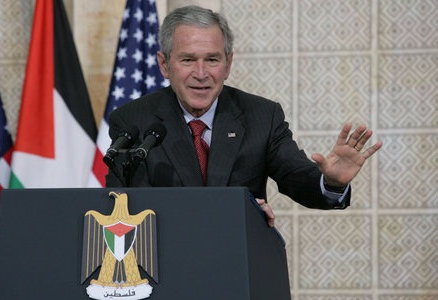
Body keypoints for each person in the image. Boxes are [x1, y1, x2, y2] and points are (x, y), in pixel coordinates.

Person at [105, 5, 382, 227]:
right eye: (188, 60)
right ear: (164, 65)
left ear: (228, 64)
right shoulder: (132, 121)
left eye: (212, 60)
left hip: (237, 265)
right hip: (162, 267)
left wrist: (331, 182)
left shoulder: (261, 116)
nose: (201, 74)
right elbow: (122, 209)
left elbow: (297, 177)